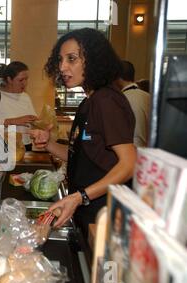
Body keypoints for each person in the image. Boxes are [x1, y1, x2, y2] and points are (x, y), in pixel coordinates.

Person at [29, 28, 136, 239]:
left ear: (94, 60)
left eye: (72, 59)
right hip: (87, 209)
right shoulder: (90, 101)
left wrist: (80, 197)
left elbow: (130, 163)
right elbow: (80, 156)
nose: (62, 67)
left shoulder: (107, 101)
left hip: (104, 215)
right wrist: (49, 143)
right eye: (60, 60)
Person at [0, 61, 38, 150]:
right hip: (3, 146)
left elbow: (31, 120)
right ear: (9, 79)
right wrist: (12, 121)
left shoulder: (25, 96)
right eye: (21, 80)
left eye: (26, 79)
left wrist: (38, 123)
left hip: (25, 145)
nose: (25, 83)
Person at [115, 61, 150, 147]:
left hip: (130, 151)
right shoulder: (148, 96)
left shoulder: (120, 99)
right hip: (147, 153)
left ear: (118, 78)